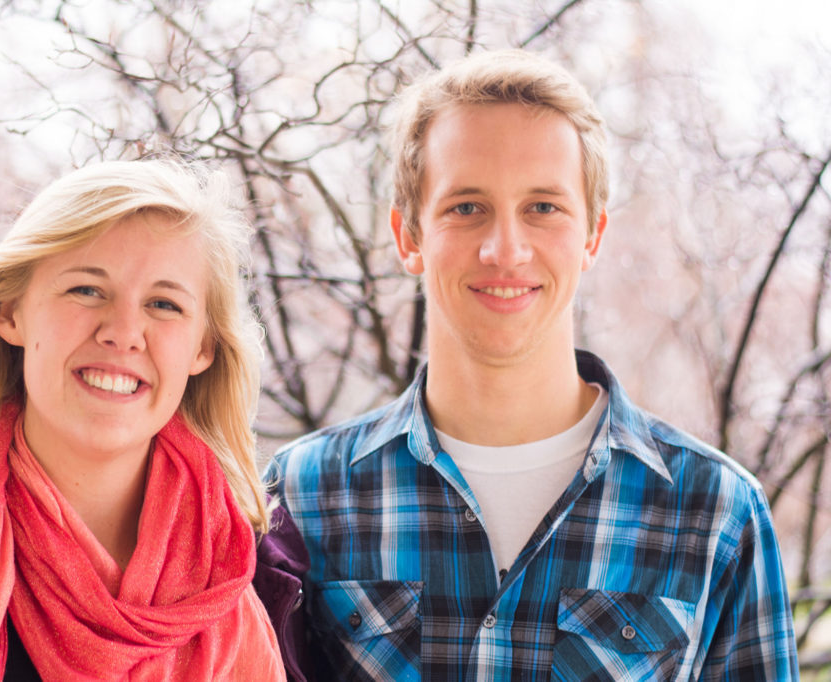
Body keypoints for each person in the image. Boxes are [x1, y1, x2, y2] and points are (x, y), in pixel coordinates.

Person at [266, 49, 799, 680]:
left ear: (592, 236)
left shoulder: (715, 511)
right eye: (467, 207)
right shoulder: (300, 496)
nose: (505, 249)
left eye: (543, 207)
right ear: (409, 235)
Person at [0, 159, 310, 681]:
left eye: (164, 304)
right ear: (10, 312)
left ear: (202, 348)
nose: (123, 332)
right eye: (86, 290)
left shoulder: (262, 562)